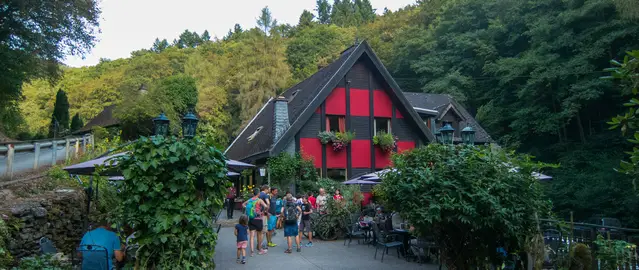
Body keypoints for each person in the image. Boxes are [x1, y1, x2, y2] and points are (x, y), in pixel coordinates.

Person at [242, 188, 269, 256]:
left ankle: (252, 252)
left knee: (251, 236)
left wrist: (248, 209)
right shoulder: (259, 200)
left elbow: (243, 204)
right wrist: (262, 211)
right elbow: (266, 206)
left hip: (251, 219)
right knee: (259, 235)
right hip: (258, 219)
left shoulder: (250, 200)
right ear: (258, 194)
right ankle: (260, 250)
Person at [258, 185, 270, 250]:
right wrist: (266, 211)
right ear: (265, 189)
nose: (269, 191)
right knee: (263, 231)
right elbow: (268, 203)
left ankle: (258, 244)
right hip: (263, 214)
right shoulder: (265, 195)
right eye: (268, 189)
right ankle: (260, 245)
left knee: (259, 231)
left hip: (257, 214)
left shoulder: (259, 194)